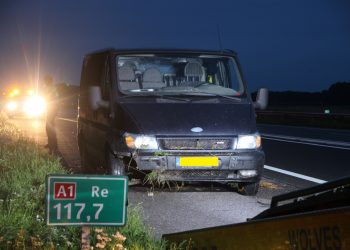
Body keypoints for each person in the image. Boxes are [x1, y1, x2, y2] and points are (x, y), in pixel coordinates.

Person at [43, 75, 59, 153]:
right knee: (49, 127)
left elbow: (53, 98)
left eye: (45, 80)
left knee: (49, 128)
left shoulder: (51, 88)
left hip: (52, 109)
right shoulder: (50, 87)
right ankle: (52, 144)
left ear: (48, 81)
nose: (44, 82)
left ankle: (53, 146)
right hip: (51, 109)